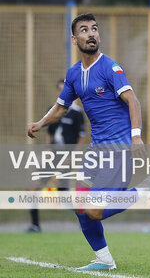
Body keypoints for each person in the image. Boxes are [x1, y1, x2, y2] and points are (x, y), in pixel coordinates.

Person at [27, 13, 150, 271]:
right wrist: (39, 123)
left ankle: (146, 192)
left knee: (94, 211)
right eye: (84, 30)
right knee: (80, 207)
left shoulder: (110, 67)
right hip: (97, 149)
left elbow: (133, 101)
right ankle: (104, 260)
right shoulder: (73, 74)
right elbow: (60, 108)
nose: (91, 34)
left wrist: (136, 136)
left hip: (120, 146)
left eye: (94, 29)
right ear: (74, 38)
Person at [27, 79, 88, 233]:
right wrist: (47, 150)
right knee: (32, 188)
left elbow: (81, 139)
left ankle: (86, 221)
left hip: (67, 158)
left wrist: (71, 158)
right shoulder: (53, 111)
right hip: (53, 157)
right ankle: (35, 225)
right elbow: (49, 134)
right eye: (60, 90)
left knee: (63, 195)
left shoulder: (77, 113)